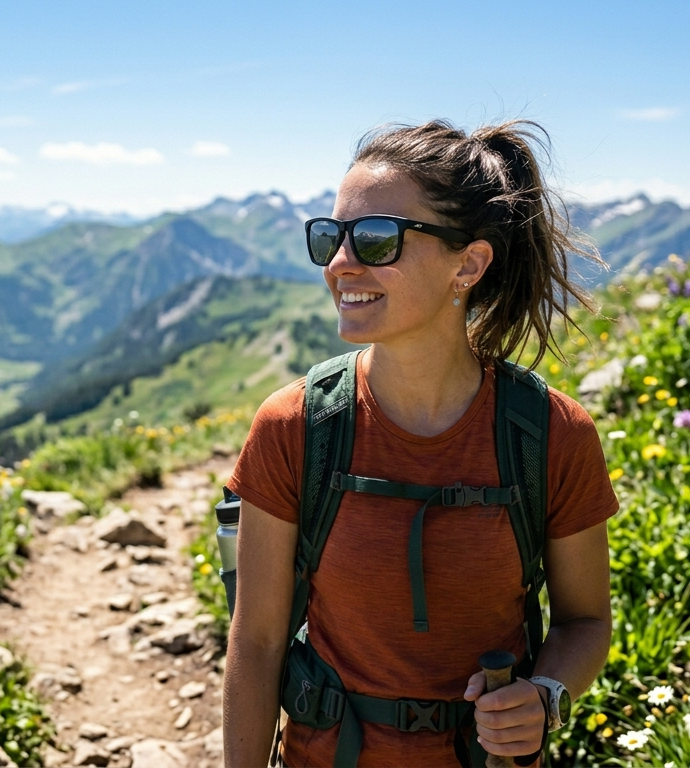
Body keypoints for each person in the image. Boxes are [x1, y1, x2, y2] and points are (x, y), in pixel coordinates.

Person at [221, 120, 618, 767]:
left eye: (376, 240)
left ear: (468, 263)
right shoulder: (293, 425)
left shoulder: (551, 435)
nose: (341, 263)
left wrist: (545, 696)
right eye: (332, 237)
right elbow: (259, 642)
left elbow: (586, 622)